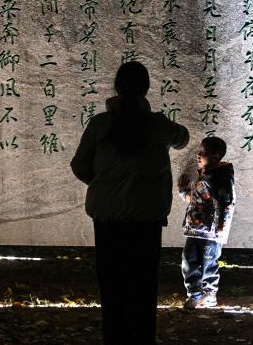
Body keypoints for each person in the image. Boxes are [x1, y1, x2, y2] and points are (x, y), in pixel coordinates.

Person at [70, 61, 189, 345]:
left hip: (107, 219)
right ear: (147, 88)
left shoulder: (100, 124)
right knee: (143, 287)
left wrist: (102, 185)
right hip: (146, 220)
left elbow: (79, 166)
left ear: (116, 87)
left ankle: (114, 339)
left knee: (111, 287)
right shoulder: (158, 126)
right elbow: (183, 138)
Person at [177, 136, 235, 310]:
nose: (198, 155)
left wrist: (219, 229)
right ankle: (195, 294)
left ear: (215, 156)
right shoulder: (205, 175)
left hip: (211, 231)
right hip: (195, 228)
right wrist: (183, 191)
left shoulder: (220, 177)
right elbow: (196, 199)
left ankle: (209, 295)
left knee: (210, 263)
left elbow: (225, 204)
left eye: (203, 152)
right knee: (188, 260)